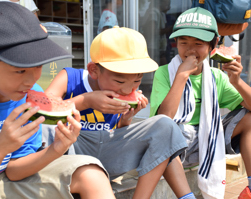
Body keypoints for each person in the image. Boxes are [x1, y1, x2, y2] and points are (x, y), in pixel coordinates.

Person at [0, 2, 115, 199]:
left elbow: (14, 170)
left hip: (13, 180)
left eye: (38, 66)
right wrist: (0, 148)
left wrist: (56, 149)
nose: (32, 80)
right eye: (20, 70)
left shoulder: (30, 94)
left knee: (92, 175)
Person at [45, 26, 197, 199]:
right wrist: (85, 100)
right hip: (74, 152)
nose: (127, 89)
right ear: (94, 70)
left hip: (109, 156)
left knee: (165, 125)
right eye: (119, 80)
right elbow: (43, 111)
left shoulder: (124, 92)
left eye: (137, 81)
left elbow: (114, 136)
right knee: (46, 132)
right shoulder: (70, 77)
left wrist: (126, 119)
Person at [150, 7, 251, 199]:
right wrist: (181, 75)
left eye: (198, 43)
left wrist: (237, 82)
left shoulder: (216, 77)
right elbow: (163, 119)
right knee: (164, 130)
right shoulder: (164, 73)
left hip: (209, 139)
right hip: (175, 143)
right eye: (183, 42)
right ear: (176, 43)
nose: (190, 49)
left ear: (212, 46)